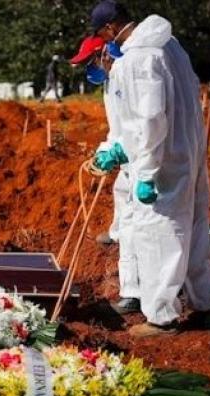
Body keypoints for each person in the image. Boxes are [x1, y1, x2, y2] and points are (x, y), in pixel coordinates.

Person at [89, 1, 210, 336]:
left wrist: (145, 171)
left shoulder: (137, 59)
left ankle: (162, 317)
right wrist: (118, 147)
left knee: (158, 236)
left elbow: (150, 121)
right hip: (188, 155)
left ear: (109, 29)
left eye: (103, 36)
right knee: (192, 230)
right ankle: (207, 306)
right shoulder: (171, 46)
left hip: (162, 163)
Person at [71, 35, 140, 315]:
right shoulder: (110, 84)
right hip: (127, 157)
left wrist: (120, 151)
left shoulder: (129, 79)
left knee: (136, 229)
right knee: (121, 194)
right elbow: (117, 130)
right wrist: (106, 151)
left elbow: (141, 125)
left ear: (105, 54)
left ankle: (135, 293)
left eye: (90, 62)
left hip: (143, 159)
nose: (89, 69)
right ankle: (116, 235)